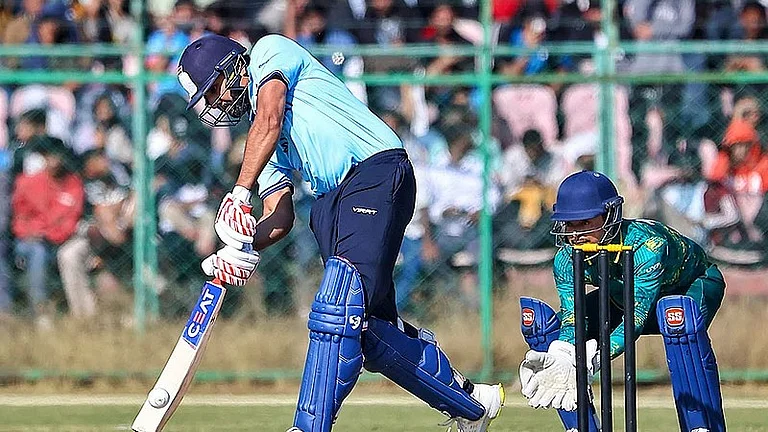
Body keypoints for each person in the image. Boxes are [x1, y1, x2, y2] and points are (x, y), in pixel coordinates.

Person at [176, 34, 504, 432]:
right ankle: (472, 404)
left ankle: (308, 427)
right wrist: (242, 245)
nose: (215, 104)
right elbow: (280, 216)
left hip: (373, 171)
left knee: (338, 308)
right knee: (369, 332)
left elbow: (271, 118)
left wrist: (239, 192)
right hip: (330, 202)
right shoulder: (261, 142)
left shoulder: (268, 52)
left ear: (231, 67)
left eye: (214, 90)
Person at [517, 170, 726, 432]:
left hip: (690, 287)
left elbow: (635, 319)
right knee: (542, 328)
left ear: (610, 215)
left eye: (586, 222)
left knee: (677, 318)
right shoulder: (566, 257)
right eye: (570, 224)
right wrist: (565, 354)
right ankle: (580, 426)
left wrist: (596, 358)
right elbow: (573, 318)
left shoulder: (648, 246)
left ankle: (701, 427)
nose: (577, 234)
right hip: (619, 297)